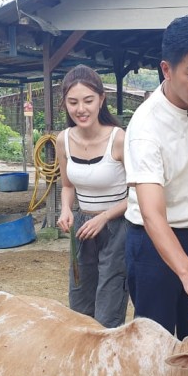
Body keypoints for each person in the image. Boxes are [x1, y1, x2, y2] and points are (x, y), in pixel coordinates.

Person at [123, 14, 188, 338]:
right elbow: (153, 215)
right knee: (156, 341)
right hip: (152, 242)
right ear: (166, 69)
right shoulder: (145, 128)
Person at [55, 65, 129, 328]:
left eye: (88, 100)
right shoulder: (63, 140)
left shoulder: (119, 139)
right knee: (80, 305)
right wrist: (66, 210)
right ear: (64, 103)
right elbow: (67, 186)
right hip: (82, 226)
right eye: (73, 102)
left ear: (101, 99)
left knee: (108, 307)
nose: (80, 109)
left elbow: (139, 194)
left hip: (117, 228)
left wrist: (104, 218)